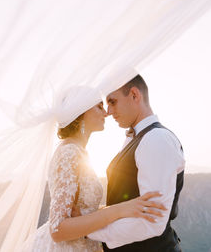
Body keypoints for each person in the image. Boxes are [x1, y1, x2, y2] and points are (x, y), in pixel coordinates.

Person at [22, 87, 166, 252]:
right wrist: (118, 210)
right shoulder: (69, 152)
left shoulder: (77, 151)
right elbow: (57, 229)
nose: (106, 113)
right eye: (99, 106)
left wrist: (127, 208)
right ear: (81, 111)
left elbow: (82, 210)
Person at [87, 75, 185, 251]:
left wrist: (89, 230)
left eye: (112, 102)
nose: (108, 111)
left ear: (134, 95)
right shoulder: (140, 137)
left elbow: (152, 222)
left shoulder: (156, 139)